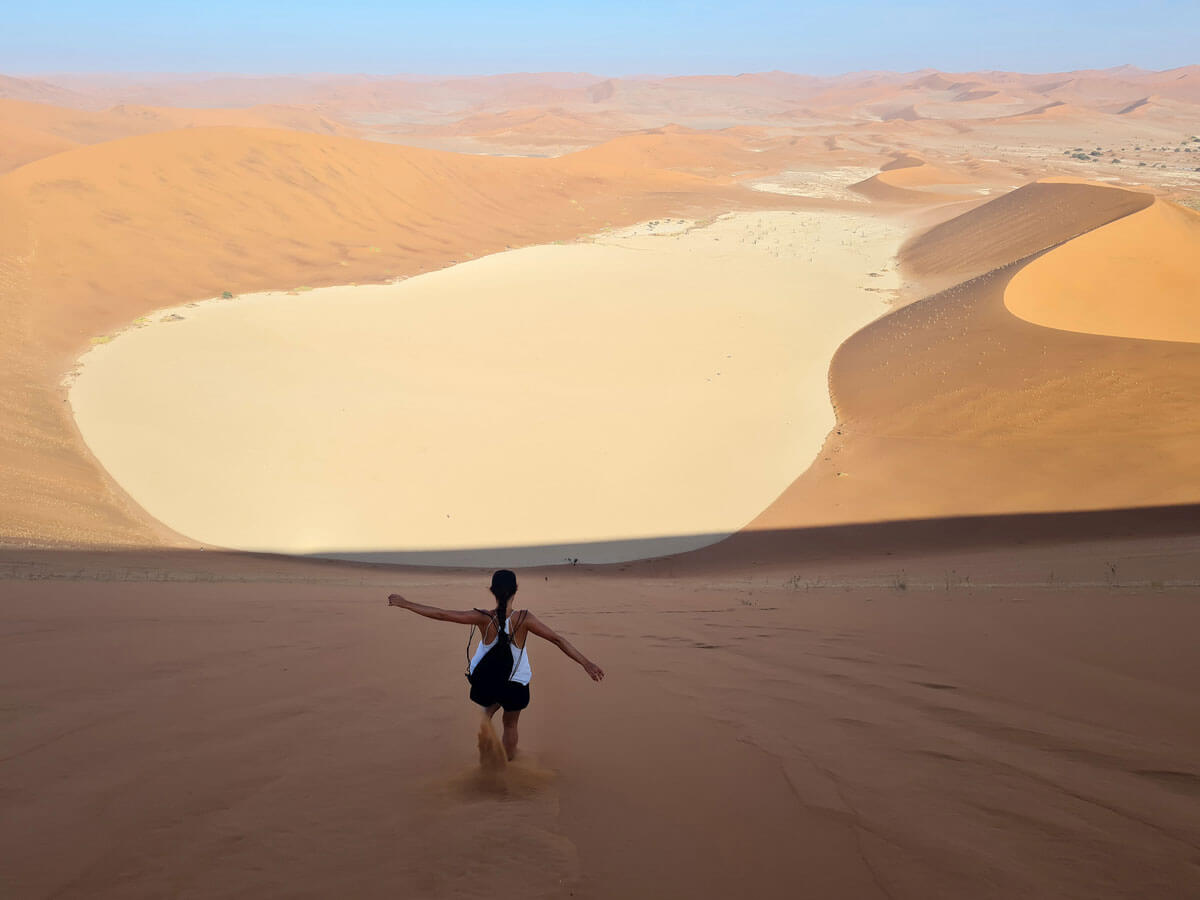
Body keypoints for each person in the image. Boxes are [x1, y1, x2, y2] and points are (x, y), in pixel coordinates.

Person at [387, 569, 604, 760]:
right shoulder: (524, 618)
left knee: (486, 716)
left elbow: (442, 615)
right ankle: (507, 763)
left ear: (492, 590)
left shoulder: (482, 618)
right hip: (515, 684)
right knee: (510, 725)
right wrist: (586, 663)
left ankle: (488, 759)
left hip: (488, 682)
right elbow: (557, 640)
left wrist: (405, 603)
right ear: (515, 590)